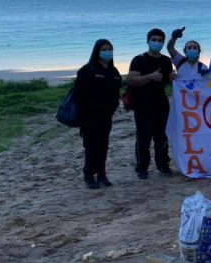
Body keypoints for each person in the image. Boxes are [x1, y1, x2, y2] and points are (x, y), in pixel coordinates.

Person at [74, 39, 122, 189]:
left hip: (106, 115)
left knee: (103, 145)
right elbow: (78, 94)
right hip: (89, 116)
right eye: (104, 49)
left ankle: (102, 173)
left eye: (109, 49)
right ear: (97, 51)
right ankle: (89, 174)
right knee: (91, 146)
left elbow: (116, 91)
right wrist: (91, 108)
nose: (107, 52)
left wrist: (113, 107)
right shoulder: (87, 70)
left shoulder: (113, 71)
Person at [128, 28, 174, 179]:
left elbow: (168, 80)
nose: (157, 43)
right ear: (148, 41)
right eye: (154, 40)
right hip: (142, 105)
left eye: (160, 40)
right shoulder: (139, 59)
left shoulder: (166, 61)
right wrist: (150, 77)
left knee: (161, 137)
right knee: (143, 138)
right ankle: (142, 167)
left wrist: (173, 77)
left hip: (161, 104)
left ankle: (163, 165)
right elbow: (132, 80)